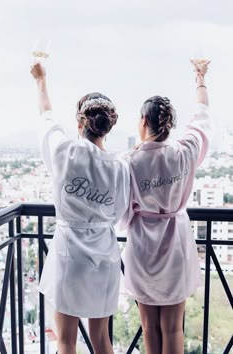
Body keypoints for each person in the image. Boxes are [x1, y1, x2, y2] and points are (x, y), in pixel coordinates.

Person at [30, 63, 130, 354]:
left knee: (65, 340)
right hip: (104, 257)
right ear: (107, 127)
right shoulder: (120, 168)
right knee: (101, 339)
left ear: (79, 123)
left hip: (69, 256)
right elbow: (120, 213)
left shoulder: (65, 152)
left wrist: (41, 80)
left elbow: (46, 118)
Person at [121, 59, 211, 354]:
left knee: (149, 327)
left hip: (143, 248)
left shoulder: (130, 162)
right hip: (176, 246)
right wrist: (200, 79)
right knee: (174, 327)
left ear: (143, 122)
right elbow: (201, 118)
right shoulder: (184, 152)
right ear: (169, 124)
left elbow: (122, 211)